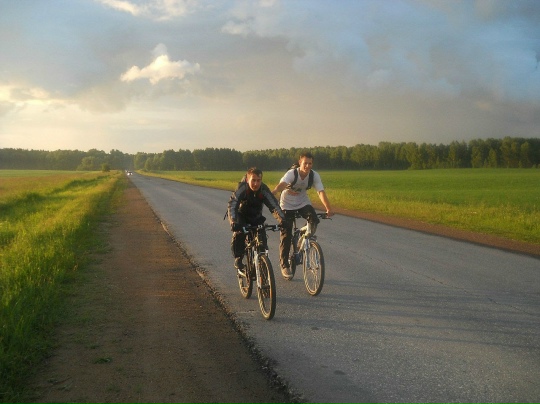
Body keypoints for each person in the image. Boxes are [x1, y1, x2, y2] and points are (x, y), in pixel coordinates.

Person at [272, 151, 333, 279]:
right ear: (300, 162)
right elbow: (283, 184)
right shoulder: (292, 174)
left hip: (302, 202)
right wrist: (276, 191)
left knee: (314, 220)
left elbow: (320, 192)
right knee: (286, 232)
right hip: (287, 204)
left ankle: (303, 238)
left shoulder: (314, 175)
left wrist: (328, 208)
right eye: (305, 163)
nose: (307, 166)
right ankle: (284, 265)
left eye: (310, 163)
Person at [228, 167, 286, 272]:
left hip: (256, 217)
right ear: (247, 180)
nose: (256, 183)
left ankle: (263, 266)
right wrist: (233, 221)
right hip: (242, 216)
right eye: (253, 180)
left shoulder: (263, 189)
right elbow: (233, 204)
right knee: (239, 233)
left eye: (258, 180)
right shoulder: (242, 188)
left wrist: (283, 220)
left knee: (262, 242)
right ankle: (239, 258)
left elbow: (274, 206)